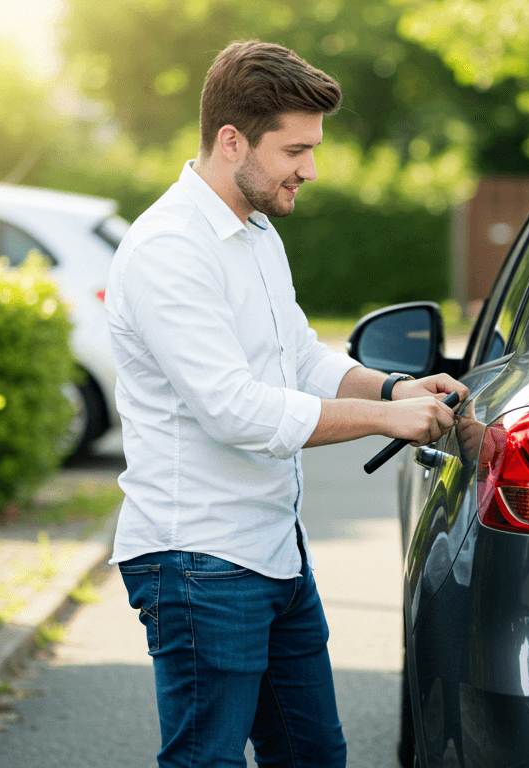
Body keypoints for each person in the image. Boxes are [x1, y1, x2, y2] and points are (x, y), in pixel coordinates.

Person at [103, 40, 468, 768]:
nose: (310, 168)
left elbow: (300, 356)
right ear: (231, 140)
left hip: (274, 555)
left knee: (311, 756)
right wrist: (387, 420)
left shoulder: (258, 229)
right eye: (295, 149)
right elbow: (235, 411)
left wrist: (396, 387)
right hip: (199, 560)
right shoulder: (170, 250)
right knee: (207, 760)